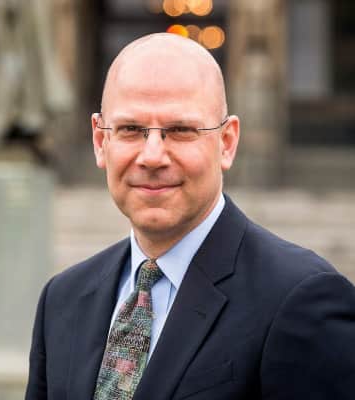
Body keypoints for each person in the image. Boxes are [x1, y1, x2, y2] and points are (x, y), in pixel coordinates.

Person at [25, 33, 355, 400]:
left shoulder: (300, 299)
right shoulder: (63, 299)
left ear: (227, 142)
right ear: (101, 141)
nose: (152, 156)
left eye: (180, 130)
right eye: (131, 129)